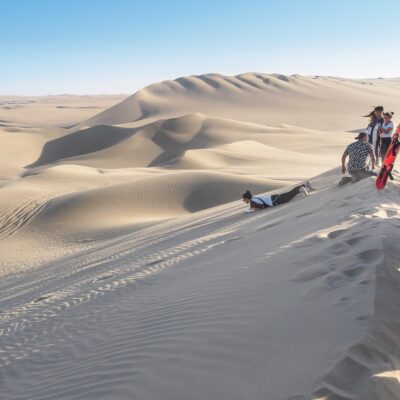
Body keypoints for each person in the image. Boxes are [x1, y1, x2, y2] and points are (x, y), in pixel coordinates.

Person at [242, 182, 312, 211]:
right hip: (274, 197)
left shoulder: (253, 202)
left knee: (290, 195)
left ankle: (301, 189)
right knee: (290, 193)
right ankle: (304, 185)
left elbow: (262, 206)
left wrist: (255, 209)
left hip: (275, 201)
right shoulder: (254, 198)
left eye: (244, 200)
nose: (244, 201)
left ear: (247, 198)